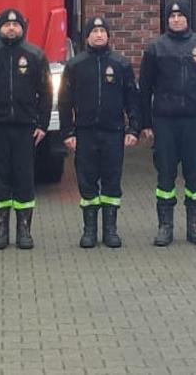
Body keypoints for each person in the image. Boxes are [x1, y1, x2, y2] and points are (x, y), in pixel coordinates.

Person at [139, 0, 196, 247]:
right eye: (172, 16)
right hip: (165, 120)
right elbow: (144, 88)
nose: (176, 19)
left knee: (194, 176)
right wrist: (145, 122)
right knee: (165, 176)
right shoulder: (156, 48)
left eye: (180, 15)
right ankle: (165, 227)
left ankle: (195, 227)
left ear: (188, 18)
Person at [0, 8, 51, 251]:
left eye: (16, 25)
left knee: (24, 179)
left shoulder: (35, 55)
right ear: (0, 28)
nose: (11, 28)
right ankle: (0, 231)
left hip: (26, 128)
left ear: (22, 28)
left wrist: (43, 124)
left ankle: (24, 231)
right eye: (7, 25)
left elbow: (46, 93)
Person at [57, 15, 139, 249]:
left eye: (103, 31)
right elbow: (65, 101)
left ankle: (110, 230)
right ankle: (89, 231)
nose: (99, 35)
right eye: (94, 31)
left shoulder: (121, 64)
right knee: (87, 182)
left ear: (108, 35)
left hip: (113, 132)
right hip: (84, 134)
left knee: (112, 181)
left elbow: (131, 98)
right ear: (87, 37)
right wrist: (67, 133)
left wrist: (133, 127)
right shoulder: (75, 65)